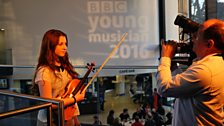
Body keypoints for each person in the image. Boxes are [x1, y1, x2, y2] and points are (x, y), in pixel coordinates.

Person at [157, 19, 224, 125]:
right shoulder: (213, 64)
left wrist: (165, 57)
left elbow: (163, 88)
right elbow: (185, 85)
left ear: (209, 44)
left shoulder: (205, 71)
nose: (192, 40)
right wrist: (173, 67)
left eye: (196, 37)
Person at [31, 29, 86, 126]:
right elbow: (49, 103)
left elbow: (68, 97)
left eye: (65, 44)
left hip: (66, 118)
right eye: (60, 44)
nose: (65, 47)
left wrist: (76, 120)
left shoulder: (65, 67)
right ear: (50, 46)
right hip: (50, 120)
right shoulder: (44, 71)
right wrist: (75, 99)